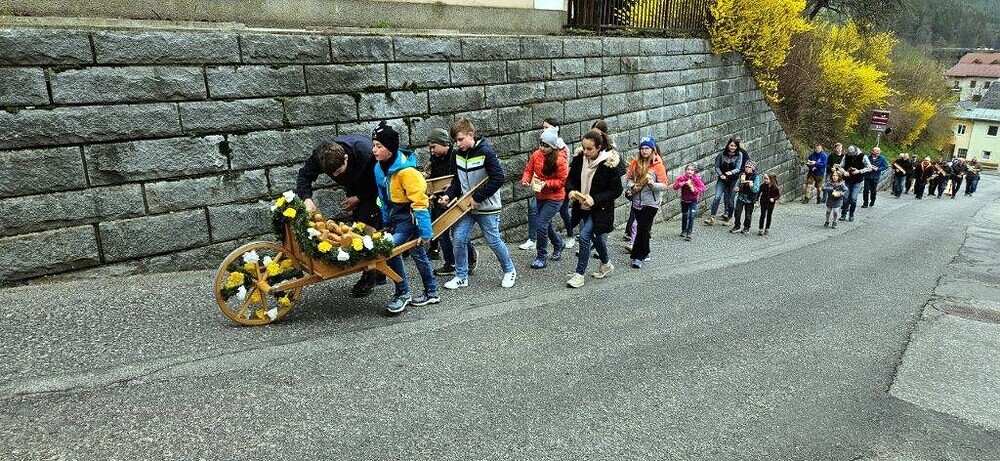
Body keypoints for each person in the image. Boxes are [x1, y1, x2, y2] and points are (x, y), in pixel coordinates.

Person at [295, 133, 386, 298]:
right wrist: (307, 199)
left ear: (345, 158)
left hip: (373, 186)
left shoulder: (366, 153)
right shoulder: (321, 155)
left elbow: (380, 182)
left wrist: (358, 198)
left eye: (337, 171)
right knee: (357, 224)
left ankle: (371, 274)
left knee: (366, 225)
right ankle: (379, 268)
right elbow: (304, 176)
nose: (335, 176)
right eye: (331, 174)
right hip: (354, 183)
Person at [437, 118, 517, 290]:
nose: (458, 144)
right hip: (466, 207)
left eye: (460, 139)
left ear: (471, 134)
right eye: (455, 141)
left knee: (493, 240)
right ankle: (461, 276)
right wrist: (448, 195)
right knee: (459, 238)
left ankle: (509, 270)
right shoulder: (457, 154)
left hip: (487, 207)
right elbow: (457, 181)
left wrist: (478, 197)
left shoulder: (486, 152)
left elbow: (498, 178)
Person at [371, 121, 439, 314]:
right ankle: (432, 292)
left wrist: (425, 233)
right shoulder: (378, 168)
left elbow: (420, 202)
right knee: (418, 254)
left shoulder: (407, 172)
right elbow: (382, 199)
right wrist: (386, 222)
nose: (374, 150)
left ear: (390, 148)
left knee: (390, 250)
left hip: (410, 218)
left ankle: (402, 293)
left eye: (379, 146)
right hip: (396, 216)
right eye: (373, 145)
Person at [566, 130, 623, 288]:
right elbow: (571, 179)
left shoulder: (609, 164)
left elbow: (617, 190)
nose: (585, 151)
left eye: (589, 149)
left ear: (599, 148)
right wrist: (570, 190)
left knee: (584, 236)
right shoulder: (579, 159)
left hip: (600, 209)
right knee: (596, 237)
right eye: (583, 147)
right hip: (582, 206)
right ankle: (606, 264)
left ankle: (579, 275)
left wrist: (595, 199)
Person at [422, 128, 478, 277]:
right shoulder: (435, 158)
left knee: (458, 232)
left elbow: (460, 178)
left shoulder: (456, 155)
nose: (432, 151)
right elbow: (433, 179)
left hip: (456, 198)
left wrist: (451, 188)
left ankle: (470, 256)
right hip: (440, 199)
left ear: (443, 143)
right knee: (440, 231)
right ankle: (450, 263)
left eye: (434, 147)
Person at [520, 126, 569, 269]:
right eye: (541, 144)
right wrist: (525, 179)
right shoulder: (536, 155)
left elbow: (562, 181)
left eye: (546, 146)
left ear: (553, 147)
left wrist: (546, 184)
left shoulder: (559, 160)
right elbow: (529, 169)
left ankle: (541, 256)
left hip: (555, 197)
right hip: (540, 194)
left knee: (541, 224)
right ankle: (558, 243)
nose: (542, 148)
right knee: (545, 225)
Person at [624, 135, 668, 268]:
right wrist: (633, 186)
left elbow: (664, 185)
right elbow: (629, 180)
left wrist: (652, 184)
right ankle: (646, 251)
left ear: (652, 149)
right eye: (642, 148)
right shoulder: (635, 163)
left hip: (651, 202)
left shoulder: (658, 165)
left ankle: (638, 257)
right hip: (637, 201)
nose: (644, 151)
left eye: (647, 148)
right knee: (644, 229)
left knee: (642, 228)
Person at [704, 138, 745, 226]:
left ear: (737, 147)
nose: (732, 147)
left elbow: (738, 168)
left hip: (733, 179)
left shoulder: (739, 154)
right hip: (722, 179)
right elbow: (717, 166)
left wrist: (731, 172)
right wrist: (720, 174)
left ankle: (729, 217)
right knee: (717, 197)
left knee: (730, 199)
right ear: (728, 145)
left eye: (735, 146)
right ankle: (712, 217)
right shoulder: (721, 154)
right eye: (731, 145)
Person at [672, 163, 705, 241]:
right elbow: (675, 187)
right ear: (685, 170)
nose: (689, 171)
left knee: (691, 216)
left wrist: (693, 189)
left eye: (692, 170)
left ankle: (689, 232)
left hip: (693, 200)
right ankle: (684, 230)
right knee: (685, 215)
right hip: (684, 200)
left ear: (694, 171)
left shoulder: (696, 179)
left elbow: (702, 188)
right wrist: (682, 183)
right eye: (688, 169)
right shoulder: (682, 178)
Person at [838, 145, 871, 222]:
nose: (851, 155)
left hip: (858, 181)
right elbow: (840, 166)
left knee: (853, 198)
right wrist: (844, 172)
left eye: (852, 154)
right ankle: (843, 214)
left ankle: (851, 214)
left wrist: (859, 171)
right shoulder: (846, 156)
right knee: (845, 197)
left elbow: (869, 167)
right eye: (850, 154)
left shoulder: (863, 156)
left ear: (856, 151)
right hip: (847, 180)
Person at [730, 161, 761, 234]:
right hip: (741, 196)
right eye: (746, 167)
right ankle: (737, 226)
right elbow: (738, 184)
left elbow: (756, 189)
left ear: (753, 168)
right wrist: (736, 188)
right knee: (737, 211)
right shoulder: (742, 174)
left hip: (750, 197)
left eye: (749, 167)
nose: (747, 168)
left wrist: (752, 185)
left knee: (748, 214)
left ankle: (747, 227)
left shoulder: (756, 176)